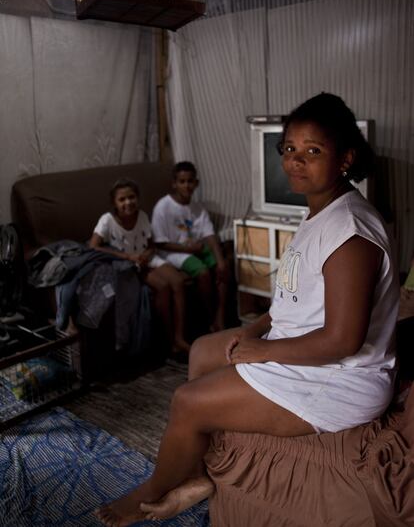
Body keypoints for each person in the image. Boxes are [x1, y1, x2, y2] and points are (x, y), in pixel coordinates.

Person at [95, 93, 400, 526]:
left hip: (342, 380)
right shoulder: (321, 211)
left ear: (346, 157)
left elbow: (343, 340)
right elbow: (296, 300)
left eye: (313, 151)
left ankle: (154, 490)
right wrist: (258, 326)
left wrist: (264, 351)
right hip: (307, 350)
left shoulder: (350, 233)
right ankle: (199, 474)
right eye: (289, 149)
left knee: (187, 401)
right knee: (203, 349)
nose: (296, 161)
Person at [89, 178, 189, 354]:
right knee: (163, 287)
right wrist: (128, 256)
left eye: (132, 197)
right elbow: (93, 246)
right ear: (114, 203)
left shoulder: (142, 216)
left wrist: (146, 255)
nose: (128, 202)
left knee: (178, 281)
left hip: (146, 258)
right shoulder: (107, 220)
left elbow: (151, 245)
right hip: (127, 264)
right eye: (122, 199)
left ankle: (180, 337)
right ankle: (169, 340)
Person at [151, 161, 229, 332]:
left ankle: (220, 316)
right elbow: (160, 242)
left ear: (196, 183)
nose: (187, 186)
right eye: (182, 181)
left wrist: (220, 260)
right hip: (171, 253)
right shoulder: (163, 207)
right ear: (174, 183)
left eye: (190, 181)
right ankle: (209, 319)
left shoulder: (198, 208)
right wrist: (189, 249)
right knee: (202, 272)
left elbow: (209, 234)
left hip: (194, 249)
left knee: (222, 266)